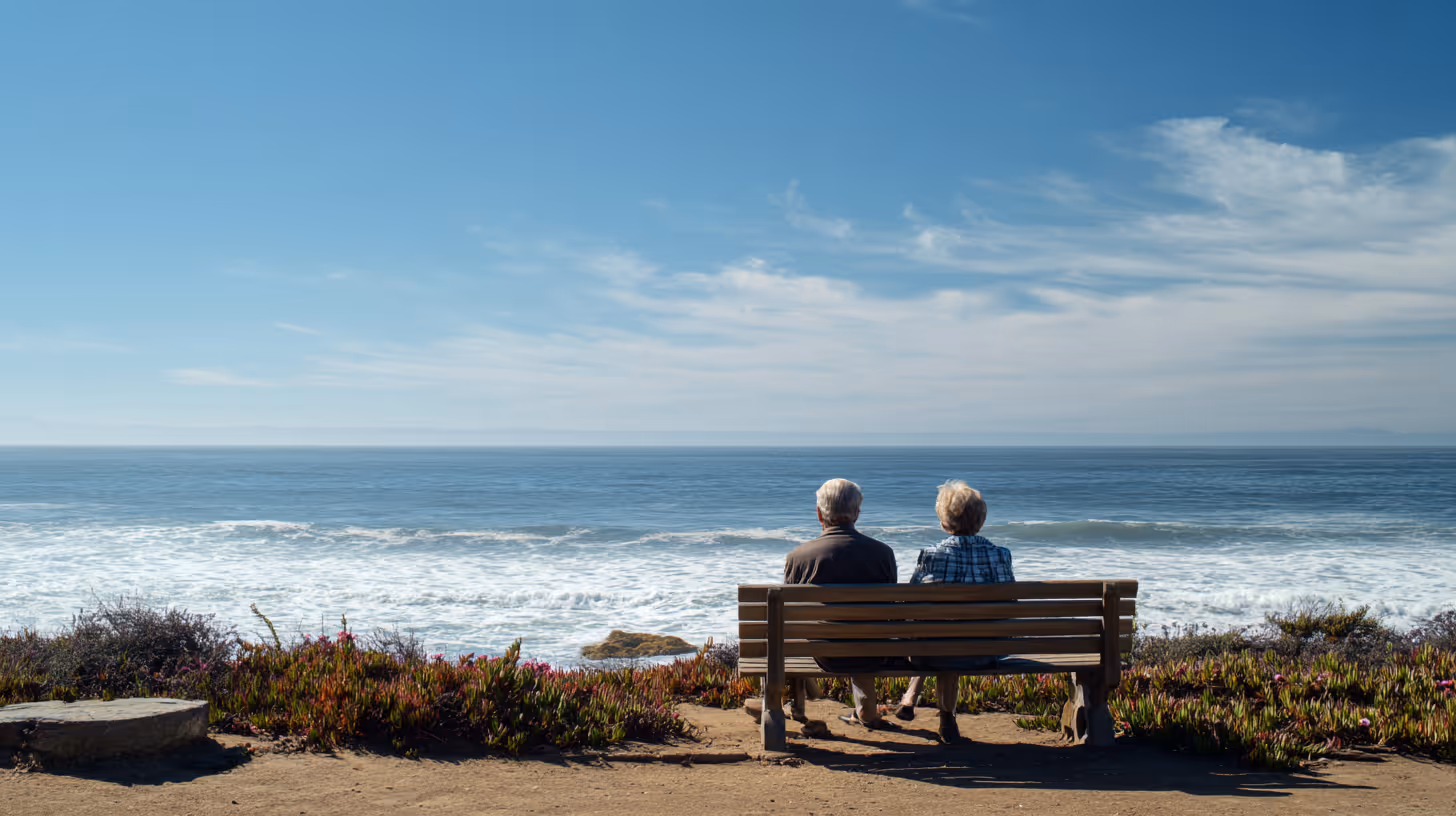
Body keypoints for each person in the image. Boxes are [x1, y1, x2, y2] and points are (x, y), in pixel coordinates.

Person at [894, 479, 1014, 743]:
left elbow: (912, 604)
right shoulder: (1001, 555)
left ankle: (918, 702)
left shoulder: (931, 556)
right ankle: (946, 717)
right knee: (951, 636)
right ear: (981, 520)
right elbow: (1010, 604)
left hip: (936, 650)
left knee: (938, 636)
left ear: (944, 522)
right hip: (986, 651)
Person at [782, 477, 899, 730]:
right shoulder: (883, 554)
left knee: (801, 634)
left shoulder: (798, 557)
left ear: (818, 513)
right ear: (857, 513)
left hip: (824, 654)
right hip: (872, 652)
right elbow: (889, 608)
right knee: (863, 636)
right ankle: (867, 713)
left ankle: (790, 705)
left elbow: (791, 614)